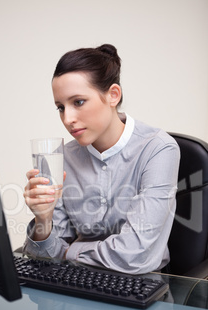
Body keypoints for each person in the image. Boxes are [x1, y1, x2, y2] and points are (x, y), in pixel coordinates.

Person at [23, 44, 180, 274]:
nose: (68, 119)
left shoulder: (158, 149)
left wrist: (69, 252)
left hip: (143, 288)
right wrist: (43, 220)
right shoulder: (63, 157)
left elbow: (135, 254)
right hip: (79, 280)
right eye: (60, 107)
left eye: (78, 102)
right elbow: (43, 258)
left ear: (113, 95)